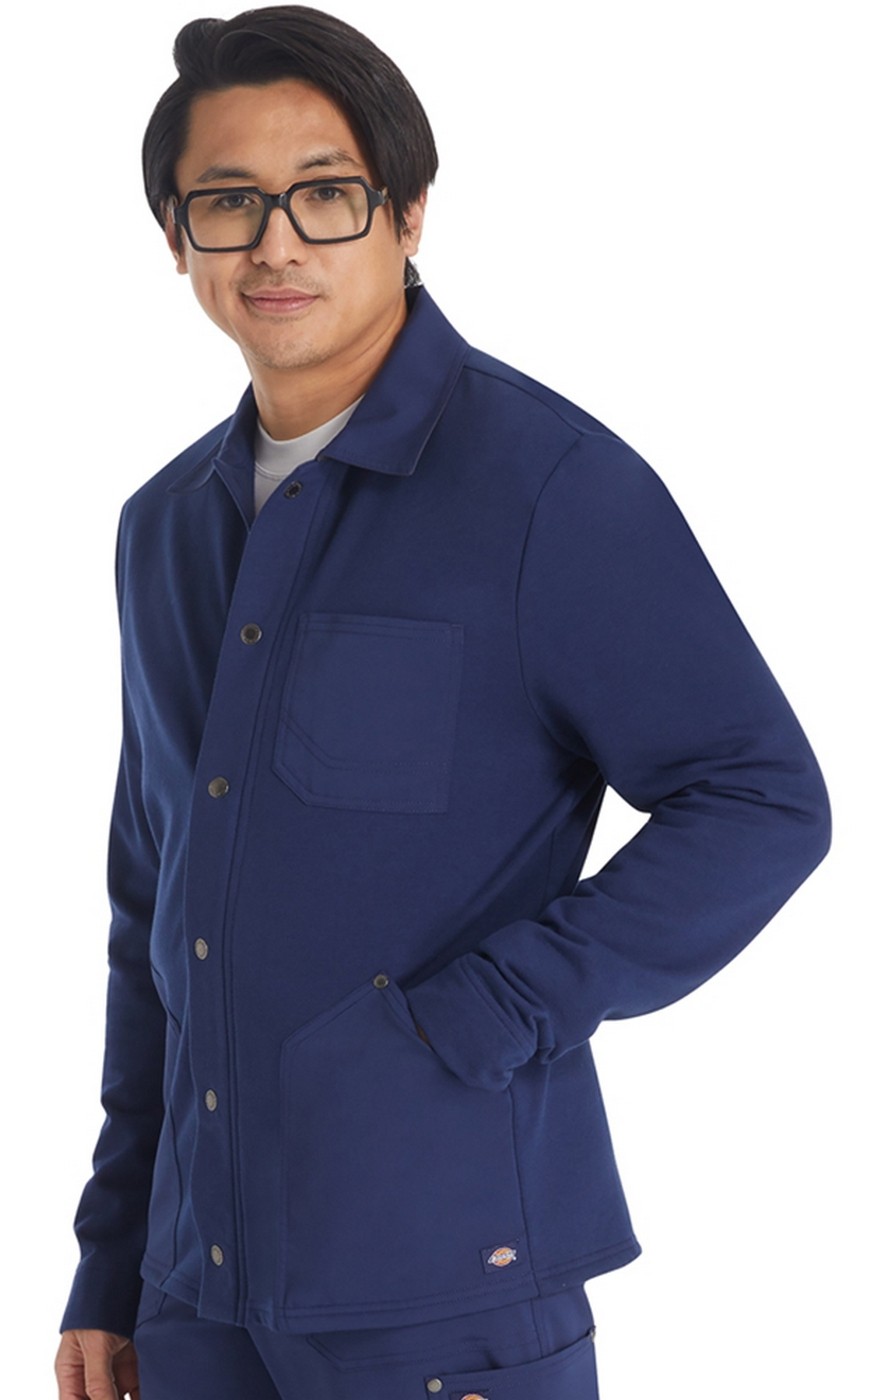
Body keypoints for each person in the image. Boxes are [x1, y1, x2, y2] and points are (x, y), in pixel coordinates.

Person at [54, 7, 831, 1399]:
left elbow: (759, 798)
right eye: (228, 202)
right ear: (176, 238)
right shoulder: (161, 527)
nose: (276, 244)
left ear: (407, 214)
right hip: (191, 1301)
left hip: (443, 1292)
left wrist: (487, 1014)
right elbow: (150, 915)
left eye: (325, 194)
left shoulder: (549, 489)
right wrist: (110, 1267)